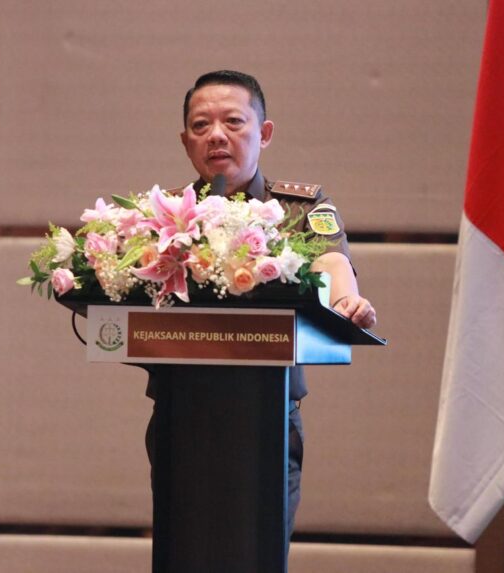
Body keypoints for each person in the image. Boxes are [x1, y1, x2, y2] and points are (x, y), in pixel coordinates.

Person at [146, 69, 377, 540]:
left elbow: (331, 262)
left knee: (259, 548)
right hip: (181, 411)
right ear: (185, 141)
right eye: (200, 126)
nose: (216, 136)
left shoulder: (299, 207)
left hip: (267, 415)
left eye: (233, 122)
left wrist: (347, 300)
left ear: (263, 133)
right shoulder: (162, 215)